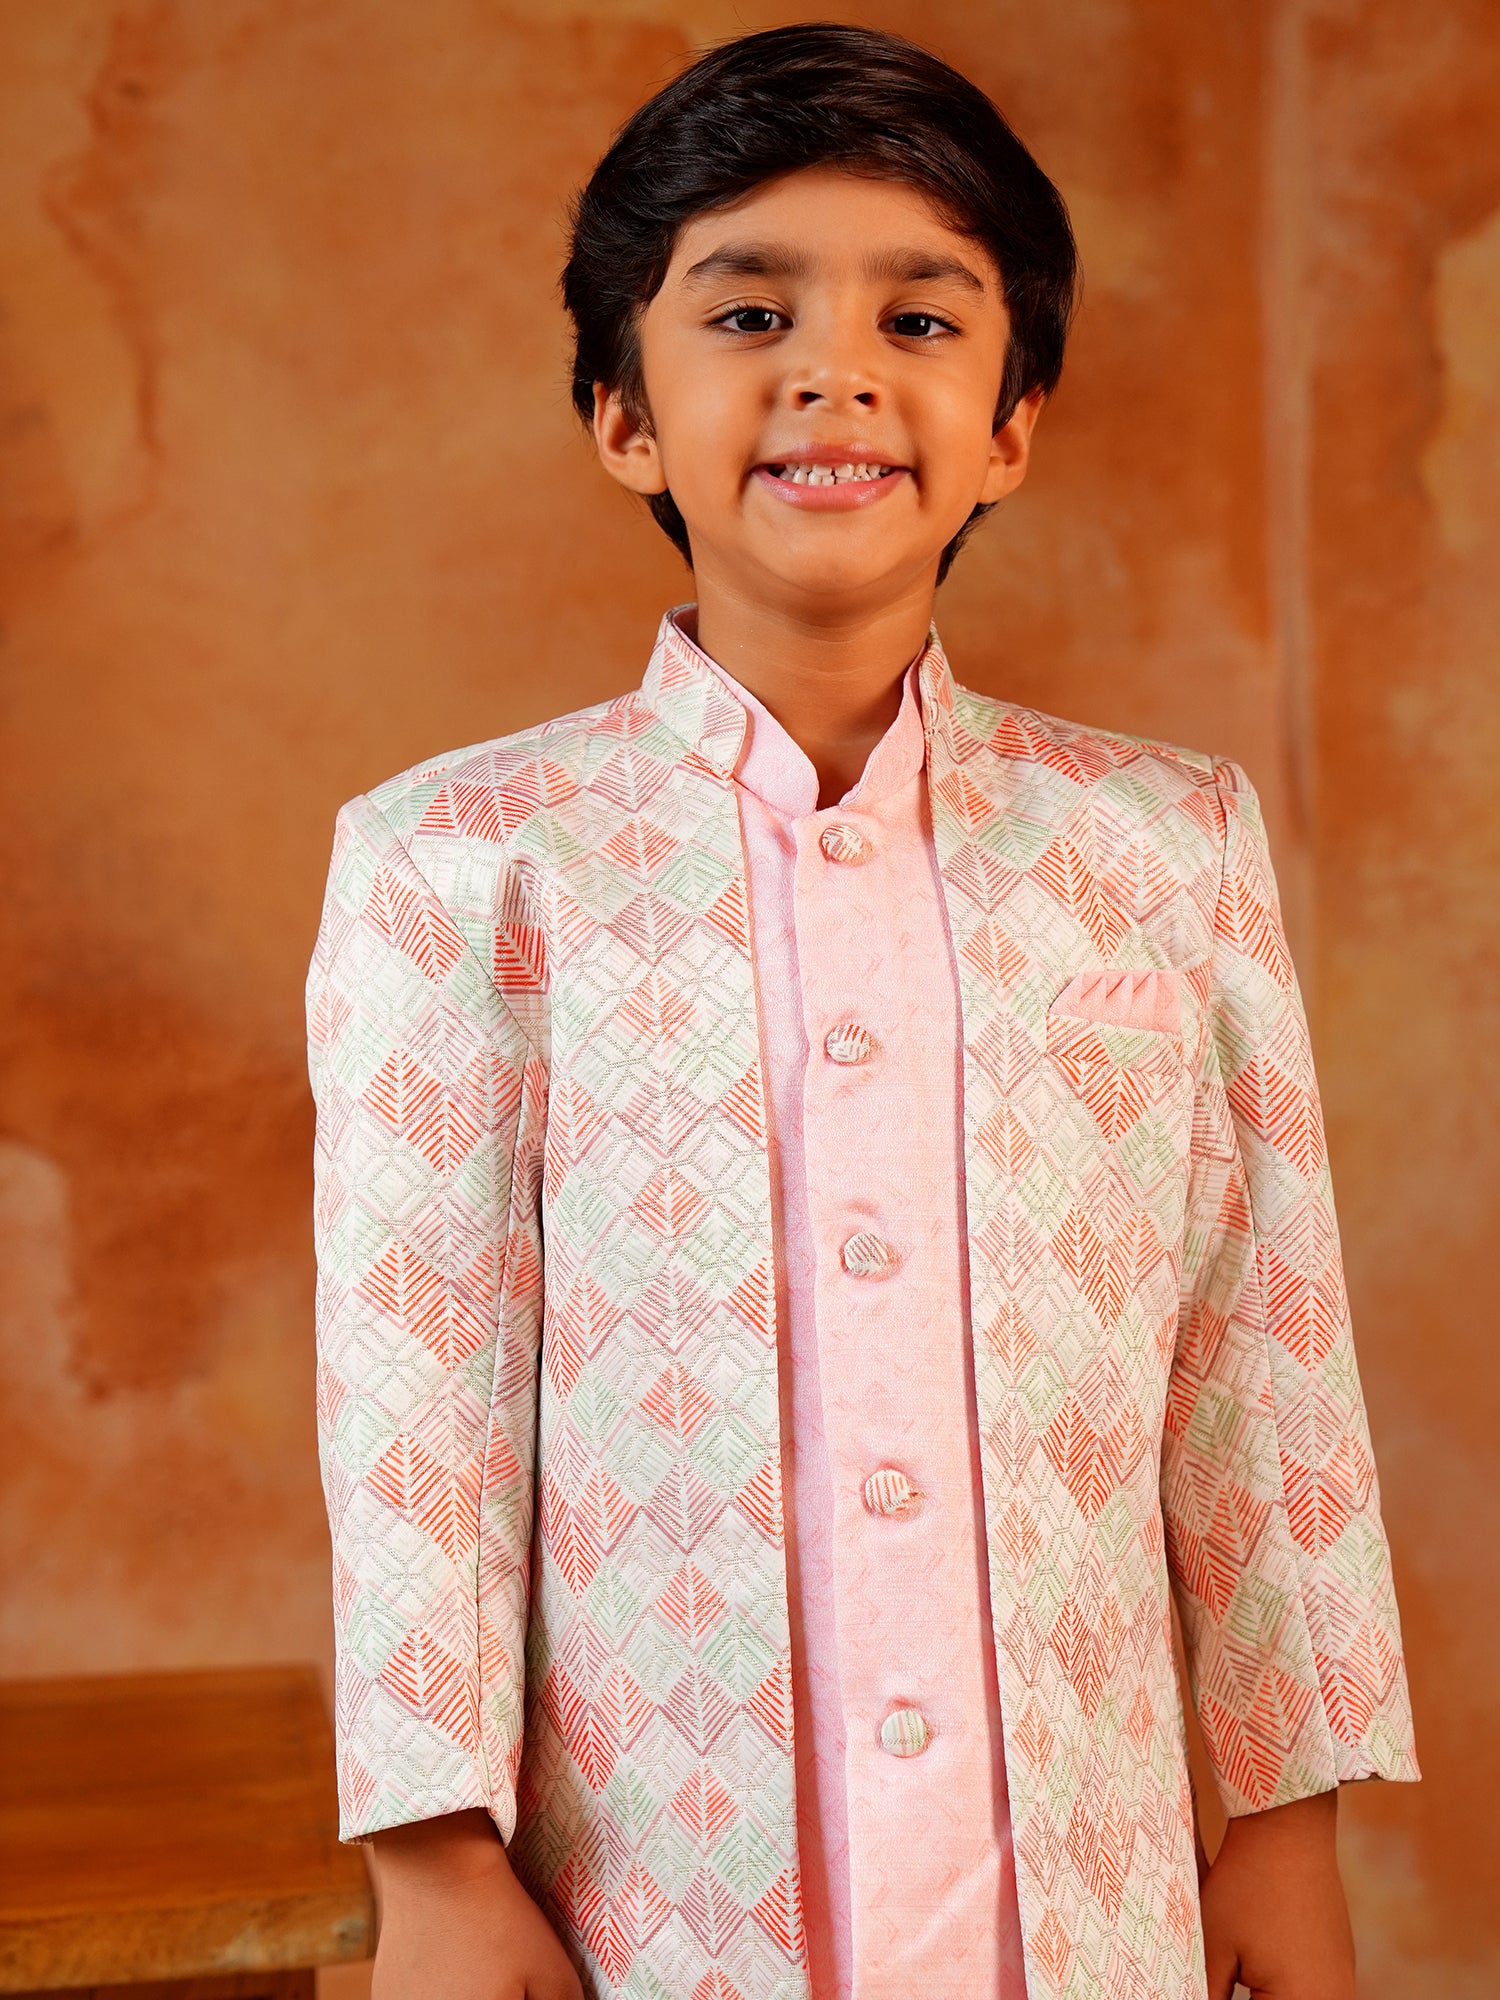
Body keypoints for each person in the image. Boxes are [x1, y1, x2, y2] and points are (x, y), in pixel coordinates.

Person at [306, 24, 1417, 2000]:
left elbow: (1261, 1360)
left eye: (920, 316)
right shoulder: (459, 867)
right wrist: (433, 1862)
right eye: (751, 312)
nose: (836, 371)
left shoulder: (1163, 846)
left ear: (1011, 423)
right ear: (623, 414)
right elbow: (418, 1409)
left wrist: (1288, 1816)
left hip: (1077, 1907)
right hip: (661, 1910)